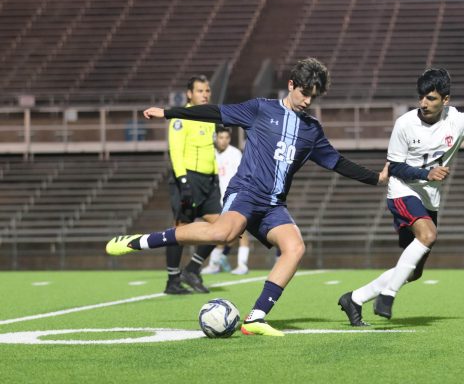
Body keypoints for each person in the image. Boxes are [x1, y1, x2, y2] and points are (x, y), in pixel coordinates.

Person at [106, 57, 389, 336]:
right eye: (304, 93)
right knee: (223, 234)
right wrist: (169, 112)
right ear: (291, 85)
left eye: (313, 97)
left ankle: (256, 317)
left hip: (273, 205)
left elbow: (337, 162)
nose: (307, 101)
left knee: (295, 247)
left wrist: (375, 177)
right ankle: (142, 241)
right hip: (246, 192)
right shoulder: (259, 109)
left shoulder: (311, 130)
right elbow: (216, 113)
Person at [338, 68, 464, 326]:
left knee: (415, 271)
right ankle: (387, 295)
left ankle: (354, 298)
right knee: (428, 235)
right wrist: (426, 173)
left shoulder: (458, 121)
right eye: (422, 97)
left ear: (446, 100)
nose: (424, 103)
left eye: (431, 98)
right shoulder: (405, 124)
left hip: (429, 200)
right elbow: (395, 167)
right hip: (402, 191)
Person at [163, 75, 221, 295]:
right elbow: (175, 151)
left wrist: (215, 176)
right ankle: (172, 281)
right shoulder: (180, 118)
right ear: (189, 94)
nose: (204, 95)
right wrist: (184, 181)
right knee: (181, 231)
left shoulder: (209, 118)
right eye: (200, 91)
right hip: (188, 179)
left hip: (209, 181)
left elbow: (210, 150)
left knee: (224, 228)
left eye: (207, 91)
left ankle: (193, 268)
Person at [202, 126, 252, 275]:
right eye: (221, 137)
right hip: (217, 200)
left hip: (235, 198)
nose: (224, 141)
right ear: (215, 137)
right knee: (219, 233)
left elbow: (243, 176)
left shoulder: (235, 154)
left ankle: (242, 265)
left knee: (242, 232)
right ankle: (215, 264)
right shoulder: (210, 153)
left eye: (227, 138)